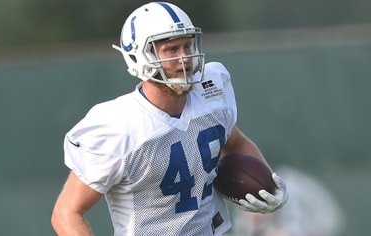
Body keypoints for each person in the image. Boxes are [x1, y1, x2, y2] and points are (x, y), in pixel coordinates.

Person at [51, 2, 288, 235]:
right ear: (139, 57)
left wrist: (267, 184)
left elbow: (235, 143)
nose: (184, 58)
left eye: (187, 46)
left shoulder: (211, 92)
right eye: (171, 50)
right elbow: (66, 212)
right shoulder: (119, 126)